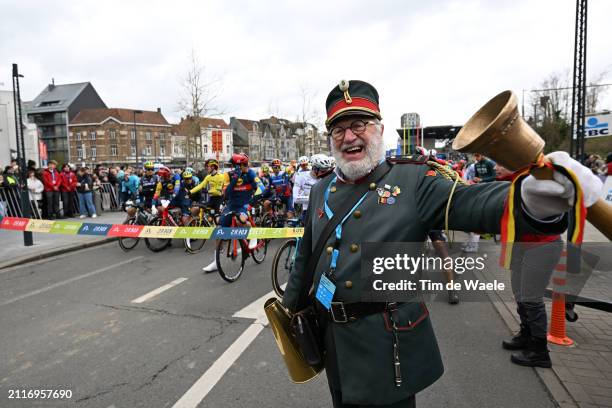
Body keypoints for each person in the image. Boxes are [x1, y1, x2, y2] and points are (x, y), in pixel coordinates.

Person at [281, 79, 602, 408]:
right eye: (339, 129)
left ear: (378, 129)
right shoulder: (322, 190)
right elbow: (306, 254)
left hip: (386, 344)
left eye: (359, 124)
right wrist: (288, 311)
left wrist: (528, 198)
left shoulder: (413, 179)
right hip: (333, 341)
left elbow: (472, 203)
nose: (349, 136)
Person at [201, 153, 264, 273]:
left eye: (243, 165)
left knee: (242, 220)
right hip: (231, 205)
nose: (244, 167)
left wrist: (250, 204)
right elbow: (225, 193)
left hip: (244, 205)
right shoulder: (227, 175)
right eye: (241, 165)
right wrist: (234, 180)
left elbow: (262, 188)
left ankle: (253, 235)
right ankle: (215, 261)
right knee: (219, 229)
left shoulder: (250, 173)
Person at [293, 154, 333, 224]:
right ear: (314, 169)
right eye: (323, 171)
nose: (325, 174)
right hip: (308, 210)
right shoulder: (301, 176)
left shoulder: (327, 177)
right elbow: (296, 198)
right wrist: (315, 197)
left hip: (324, 210)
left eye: (327, 171)